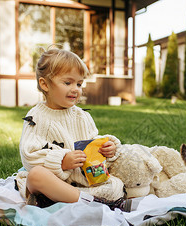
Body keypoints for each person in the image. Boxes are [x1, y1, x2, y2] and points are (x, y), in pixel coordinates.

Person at [15, 46, 129, 211]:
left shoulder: (82, 116)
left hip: (82, 182)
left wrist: (105, 148)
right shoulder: (37, 117)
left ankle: (76, 200)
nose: (75, 89)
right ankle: (91, 203)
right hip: (53, 182)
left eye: (79, 83)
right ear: (45, 84)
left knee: (116, 182)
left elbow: (91, 142)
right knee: (36, 176)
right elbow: (29, 155)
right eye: (68, 82)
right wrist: (61, 161)